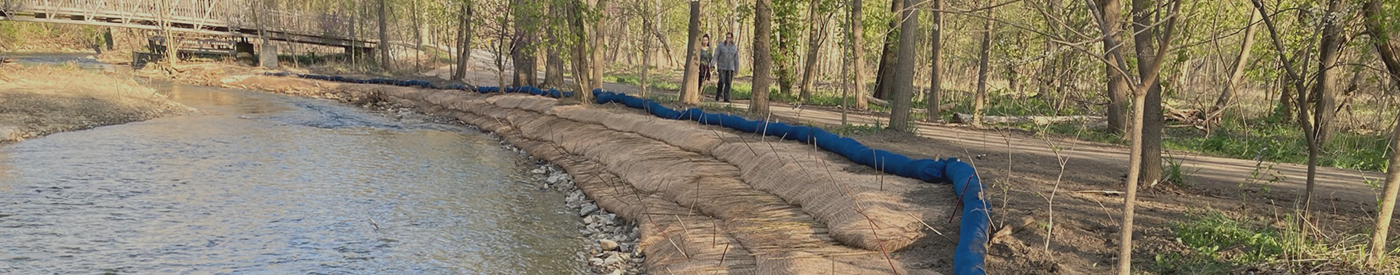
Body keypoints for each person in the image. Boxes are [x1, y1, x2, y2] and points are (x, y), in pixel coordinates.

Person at [714, 32, 738, 102]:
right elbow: (716, 55)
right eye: (727, 37)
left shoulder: (734, 47)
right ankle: (718, 94)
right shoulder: (720, 46)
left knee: (728, 82)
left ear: (731, 38)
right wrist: (712, 64)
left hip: (730, 67)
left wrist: (736, 68)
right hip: (722, 67)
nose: (728, 39)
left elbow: (736, 59)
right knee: (721, 81)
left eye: (729, 37)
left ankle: (726, 97)